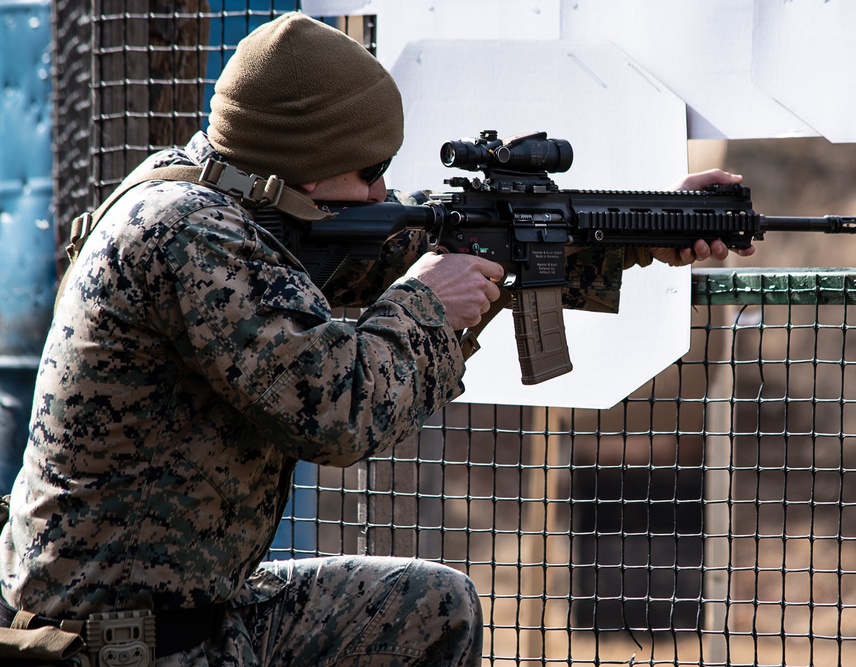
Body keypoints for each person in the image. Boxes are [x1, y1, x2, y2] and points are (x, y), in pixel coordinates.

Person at [0, 11, 751, 667]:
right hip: (126, 640)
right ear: (303, 162)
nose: (382, 194)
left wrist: (647, 227)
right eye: (369, 171)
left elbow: (393, 241)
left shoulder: (226, 194)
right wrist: (429, 300)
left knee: (430, 606)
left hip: (199, 607)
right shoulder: (185, 234)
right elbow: (337, 408)